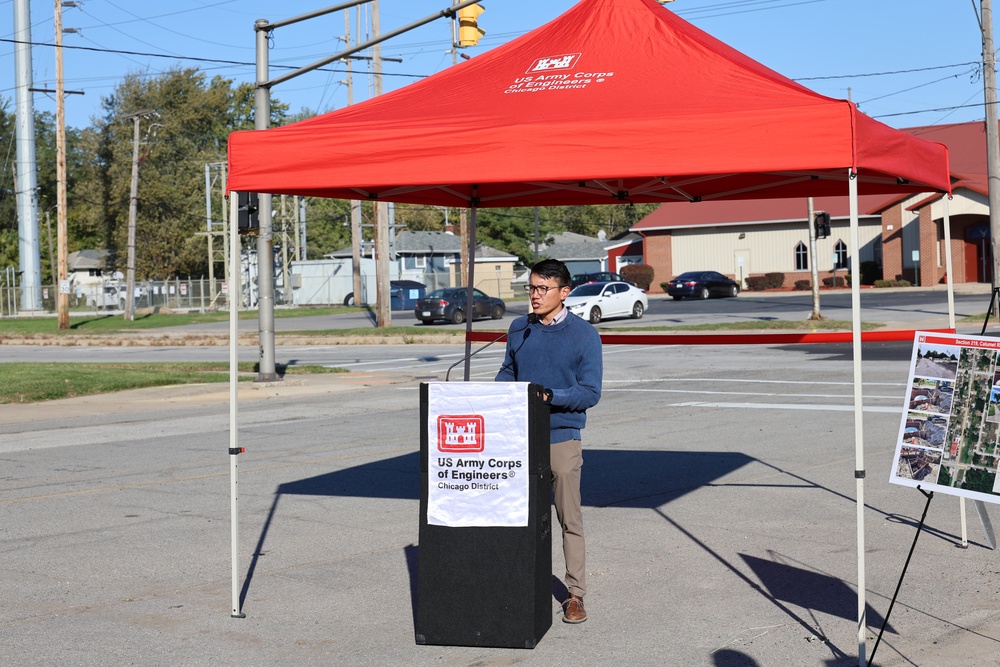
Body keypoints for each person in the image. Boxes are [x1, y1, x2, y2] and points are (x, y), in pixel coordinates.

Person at [495, 258, 603, 624]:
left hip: (560, 438)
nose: (535, 295)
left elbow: (589, 392)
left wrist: (549, 396)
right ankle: (518, 584)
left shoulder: (584, 335)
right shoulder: (518, 328)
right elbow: (508, 371)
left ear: (564, 292)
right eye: (531, 288)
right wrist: (493, 394)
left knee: (568, 519)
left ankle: (575, 594)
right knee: (518, 518)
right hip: (518, 437)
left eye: (543, 289)